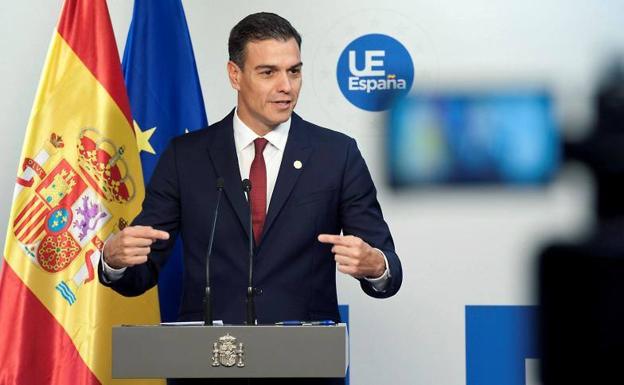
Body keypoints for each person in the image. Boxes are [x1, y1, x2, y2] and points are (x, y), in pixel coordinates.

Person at [99, 12, 402, 385]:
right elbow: (140, 273)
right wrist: (113, 260)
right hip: (207, 370)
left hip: (303, 370)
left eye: (294, 71)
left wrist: (375, 265)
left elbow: (390, 270)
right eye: (268, 72)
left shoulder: (336, 155)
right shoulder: (187, 156)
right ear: (234, 74)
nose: (286, 86)